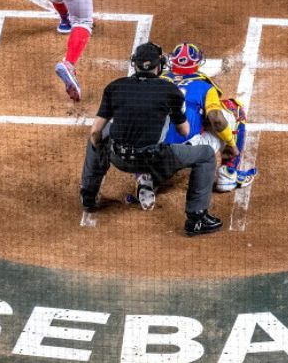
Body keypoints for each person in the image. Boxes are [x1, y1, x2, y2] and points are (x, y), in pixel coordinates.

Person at [79, 42, 223, 237]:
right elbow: (184, 131)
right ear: (160, 65)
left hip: (119, 159)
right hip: (156, 160)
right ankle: (196, 219)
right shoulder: (169, 90)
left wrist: (103, 151)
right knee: (205, 155)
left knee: (100, 135)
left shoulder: (115, 87)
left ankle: (88, 195)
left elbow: (95, 132)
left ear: (134, 64)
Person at [161, 42, 256, 192]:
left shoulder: (155, 83)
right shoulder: (204, 86)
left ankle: (144, 177)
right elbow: (217, 120)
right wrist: (231, 144)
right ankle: (228, 174)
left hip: (155, 152)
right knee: (233, 109)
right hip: (187, 152)